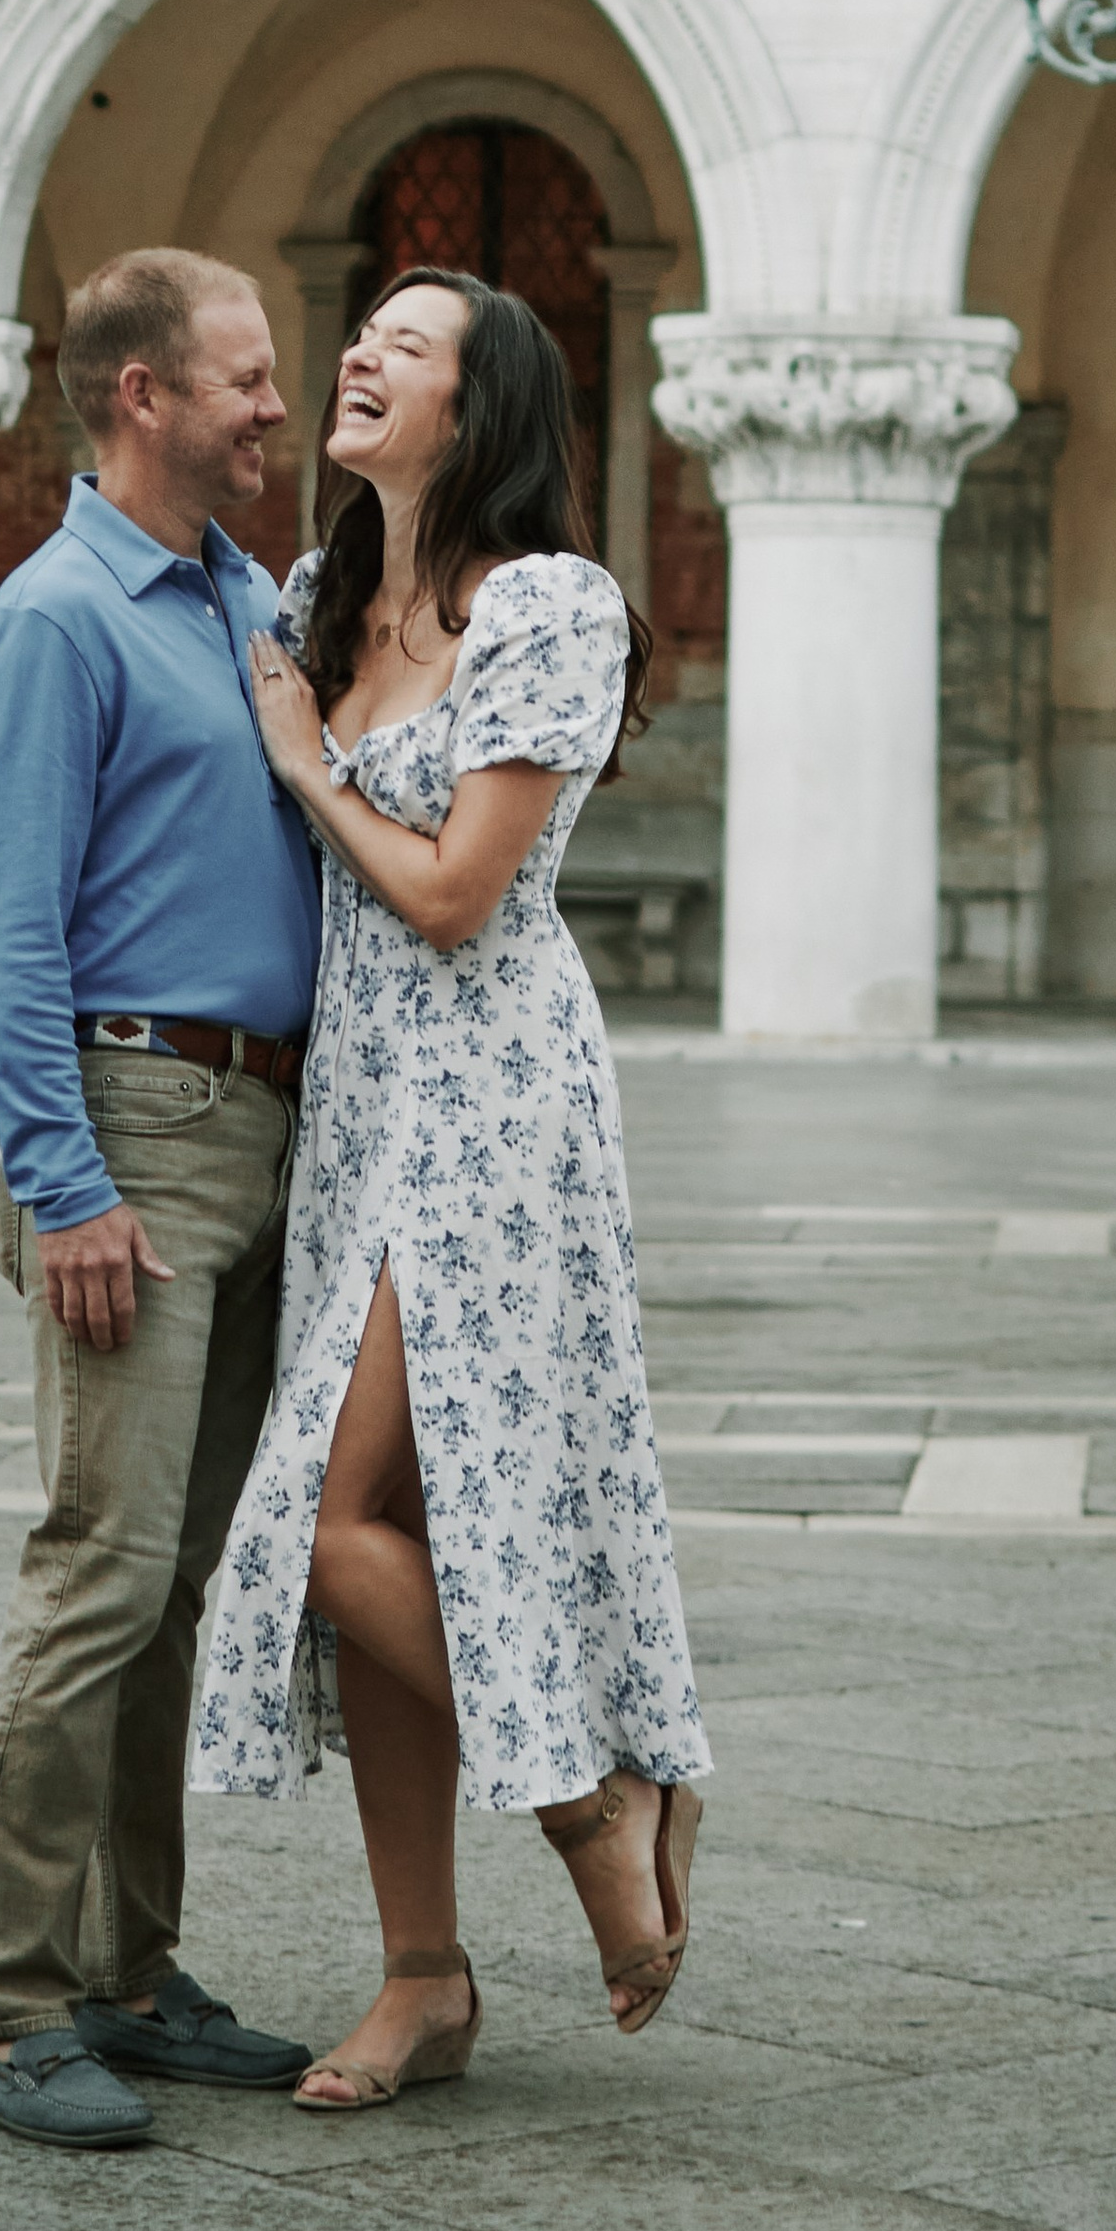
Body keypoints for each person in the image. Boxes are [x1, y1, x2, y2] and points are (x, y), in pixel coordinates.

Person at [194, 266, 710, 2112]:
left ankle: (594, 1804)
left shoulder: (548, 604)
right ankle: (424, 1976)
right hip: (356, 1102)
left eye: (403, 349)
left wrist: (306, 758)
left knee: (325, 1523)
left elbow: (451, 894)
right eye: (364, 336)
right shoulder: (319, 603)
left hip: (494, 1095)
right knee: (378, 1527)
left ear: (478, 411)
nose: (358, 358)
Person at [0, 248, 325, 2148]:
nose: (278, 405)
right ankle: (13, 2005)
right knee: (98, 1568)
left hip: (260, 1129)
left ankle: (130, 1972)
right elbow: (4, 933)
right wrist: (64, 1182)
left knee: (177, 1585)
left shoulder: (252, 601)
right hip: (136, 1128)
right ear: (139, 399)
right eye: (245, 380)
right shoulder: (58, 618)